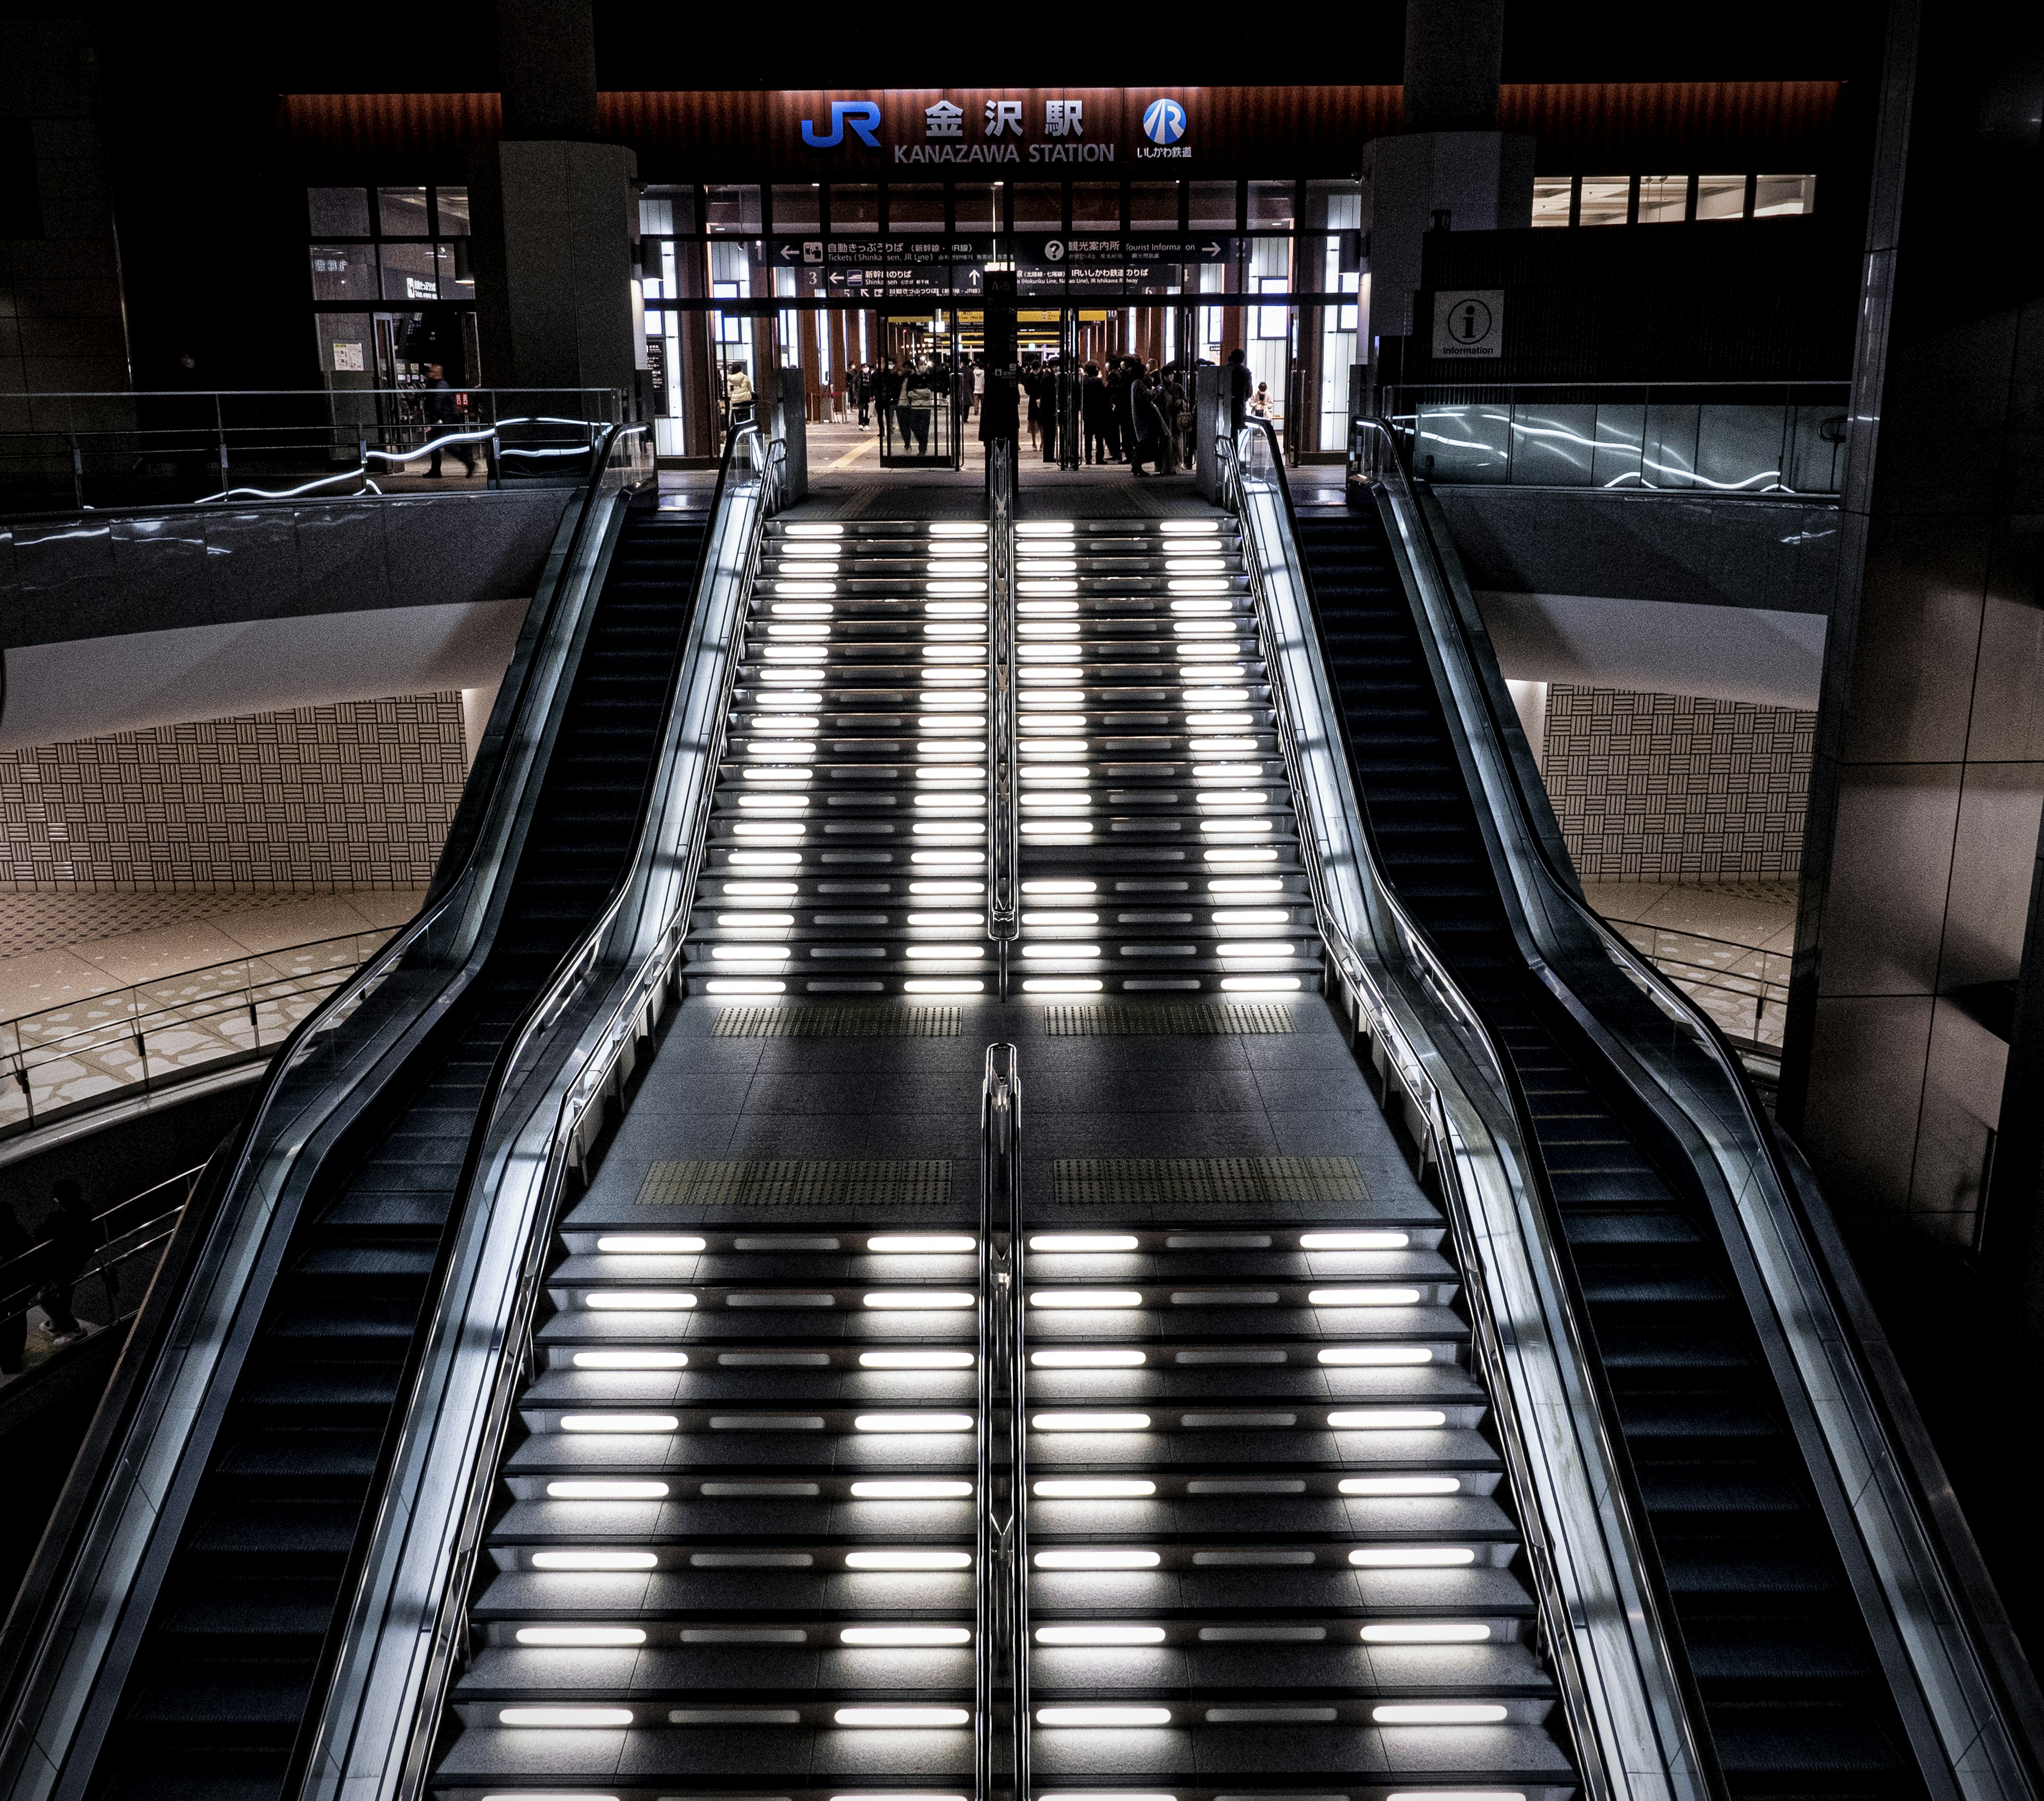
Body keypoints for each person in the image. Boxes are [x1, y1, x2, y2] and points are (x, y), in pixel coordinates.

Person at [37, 1179, 96, 1343]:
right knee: (64, 1293)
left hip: (62, 1265)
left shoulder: (58, 1220)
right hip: (78, 1260)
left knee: (44, 1297)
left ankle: (71, 1328)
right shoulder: (85, 1211)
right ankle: (56, 1323)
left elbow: (42, 1235)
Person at [421, 365, 474, 478]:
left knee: (447, 446)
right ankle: (436, 470)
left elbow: (437, 405)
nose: (428, 374)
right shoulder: (439, 385)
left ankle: (469, 463)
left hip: (442, 421)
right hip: (444, 420)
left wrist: (435, 421)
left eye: (430, 372)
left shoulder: (439, 386)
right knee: (437, 445)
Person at [0, 1198, 29, 1376]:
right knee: (19, 1319)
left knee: (6, 1322)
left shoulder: (7, 1240)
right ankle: (15, 1357)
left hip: (6, 1288)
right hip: (19, 1286)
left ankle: (9, 1360)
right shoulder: (21, 1234)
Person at [1126, 367, 1168, 478]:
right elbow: (1147, 397)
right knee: (1144, 443)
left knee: (1143, 443)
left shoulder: (1135, 384)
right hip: (1144, 418)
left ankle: (1137, 466)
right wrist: (1157, 390)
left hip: (1142, 417)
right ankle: (1137, 465)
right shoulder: (1138, 384)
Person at [899, 358, 935, 455]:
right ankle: (921, 441)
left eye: (924, 365)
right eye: (921, 365)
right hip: (915, 407)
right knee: (914, 427)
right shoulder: (912, 378)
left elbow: (929, 392)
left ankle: (922, 451)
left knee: (925, 429)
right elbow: (910, 393)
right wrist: (922, 393)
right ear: (917, 367)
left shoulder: (928, 377)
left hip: (926, 407)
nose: (923, 367)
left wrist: (917, 391)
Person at [1081, 363, 1110, 466]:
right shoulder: (1098, 382)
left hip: (1088, 412)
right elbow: (1105, 396)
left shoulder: (1084, 382)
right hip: (1099, 412)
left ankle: (1088, 458)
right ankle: (1099, 458)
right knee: (1099, 436)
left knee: (1088, 436)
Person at [1225, 347, 1252, 438]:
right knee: (1236, 434)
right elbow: (1249, 393)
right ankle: (1235, 451)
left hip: (1225, 406)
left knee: (1225, 432)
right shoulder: (1245, 372)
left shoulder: (1226, 371)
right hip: (1239, 406)